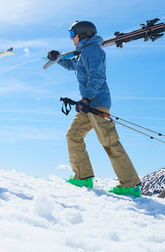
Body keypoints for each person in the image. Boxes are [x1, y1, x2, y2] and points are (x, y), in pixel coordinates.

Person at [48, 21, 141, 197]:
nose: (71, 38)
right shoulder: (84, 52)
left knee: (109, 141)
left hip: (96, 103)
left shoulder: (92, 51)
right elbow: (72, 66)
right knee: (73, 136)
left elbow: (97, 76)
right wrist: (58, 58)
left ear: (82, 34)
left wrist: (88, 98)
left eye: (72, 34)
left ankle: (130, 185)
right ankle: (83, 177)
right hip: (87, 105)